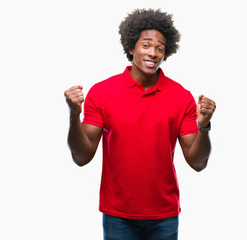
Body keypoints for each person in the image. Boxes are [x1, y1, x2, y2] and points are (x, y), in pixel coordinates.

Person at [64, 8, 216, 240]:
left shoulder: (181, 96)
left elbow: (198, 163)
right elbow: (81, 157)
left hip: (164, 215)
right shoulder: (102, 92)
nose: (153, 53)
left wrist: (204, 127)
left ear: (166, 53)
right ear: (131, 48)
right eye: (146, 45)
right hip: (118, 215)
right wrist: (74, 116)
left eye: (160, 48)